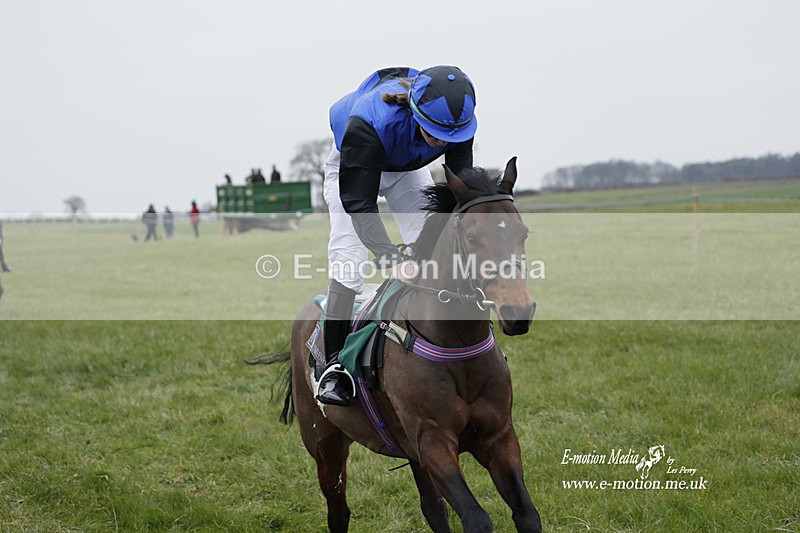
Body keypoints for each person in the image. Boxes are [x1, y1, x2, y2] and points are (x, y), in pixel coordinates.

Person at [315, 65, 477, 406]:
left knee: (432, 245)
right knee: (349, 262)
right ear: (416, 112)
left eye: (451, 136)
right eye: (435, 133)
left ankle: (450, 345)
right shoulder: (369, 124)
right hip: (354, 165)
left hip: (406, 169)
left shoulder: (459, 124)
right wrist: (390, 258)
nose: (444, 142)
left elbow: (460, 188)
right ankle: (334, 368)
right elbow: (359, 202)